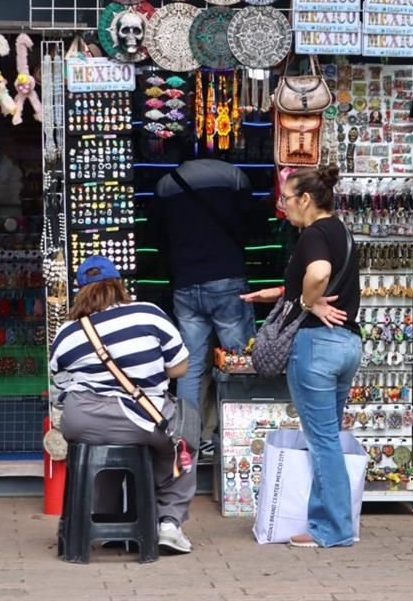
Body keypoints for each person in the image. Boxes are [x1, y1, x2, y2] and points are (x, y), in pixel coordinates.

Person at [242, 165, 362, 548]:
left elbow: (319, 274)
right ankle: (335, 522)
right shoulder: (339, 230)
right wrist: (282, 293)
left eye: (287, 199)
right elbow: (322, 278)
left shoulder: (312, 234)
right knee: (328, 437)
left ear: (306, 200)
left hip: (317, 347)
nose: (283, 207)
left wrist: (310, 302)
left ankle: (332, 529)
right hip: (346, 344)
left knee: (322, 441)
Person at [49, 255, 195, 554]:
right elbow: (180, 368)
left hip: (82, 420)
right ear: (119, 284)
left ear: (81, 292)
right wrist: (146, 373)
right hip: (139, 419)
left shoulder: (67, 331)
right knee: (184, 439)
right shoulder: (148, 314)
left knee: (102, 448)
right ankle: (168, 523)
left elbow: (60, 383)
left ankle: (103, 518)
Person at [153, 158, 268, 454]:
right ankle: (241, 436)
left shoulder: (167, 183)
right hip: (227, 278)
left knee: (189, 366)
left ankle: (189, 440)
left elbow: (159, 239)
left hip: (186, 283)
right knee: (238, 361)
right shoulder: (235, 176)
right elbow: (252, 223)